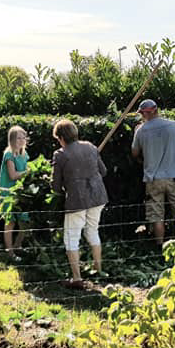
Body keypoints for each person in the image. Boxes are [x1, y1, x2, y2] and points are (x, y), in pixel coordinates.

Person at [51, 118, 108, 286]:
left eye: (58, 139)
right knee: (92, 231)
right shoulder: (91, 147)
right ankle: (98, 269)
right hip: (98, 196)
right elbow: (103, 171)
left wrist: (62, 189)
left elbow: (55, 185)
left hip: (77, 200)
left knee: (71, 237)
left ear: (61, 137)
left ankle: (76, 278)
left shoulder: (60, 154)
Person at [131, 99, 175, 246]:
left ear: (145, 113)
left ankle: (160, 247)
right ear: (156, 110)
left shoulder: (141, 130)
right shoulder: (174, 125)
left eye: (142, 114)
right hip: (174, 176)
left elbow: (134, 153)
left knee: (157, 215)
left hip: (153, 179)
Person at [0, 125, 30, 261]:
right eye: (18, 138)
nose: (22, 140)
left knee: (25, 222)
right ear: (12, 140)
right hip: (8, 193)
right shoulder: (9, 155)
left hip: (20, 192)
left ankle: (17, 245)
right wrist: (28, 172)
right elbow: (13, 175)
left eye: (24, 138)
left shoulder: (24, 154)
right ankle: (10, 253)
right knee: (10, 222)